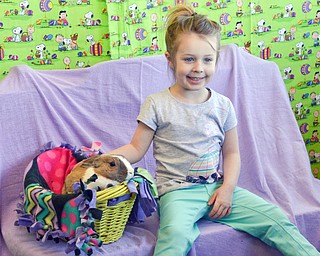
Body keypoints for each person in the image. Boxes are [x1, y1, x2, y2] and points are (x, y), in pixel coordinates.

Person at [107, 5, 320, 256]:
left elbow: (231, 154)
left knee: (275, 218)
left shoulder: (222, 105)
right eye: (189, 59)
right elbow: (135, 148)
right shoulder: (157, 104)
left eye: (207, 60)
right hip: (177, 193)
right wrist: (101, 161)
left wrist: (227, 189)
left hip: (217, 187)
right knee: (175, 235)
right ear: (170, 59)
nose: (198, 68)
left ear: (216, 60)